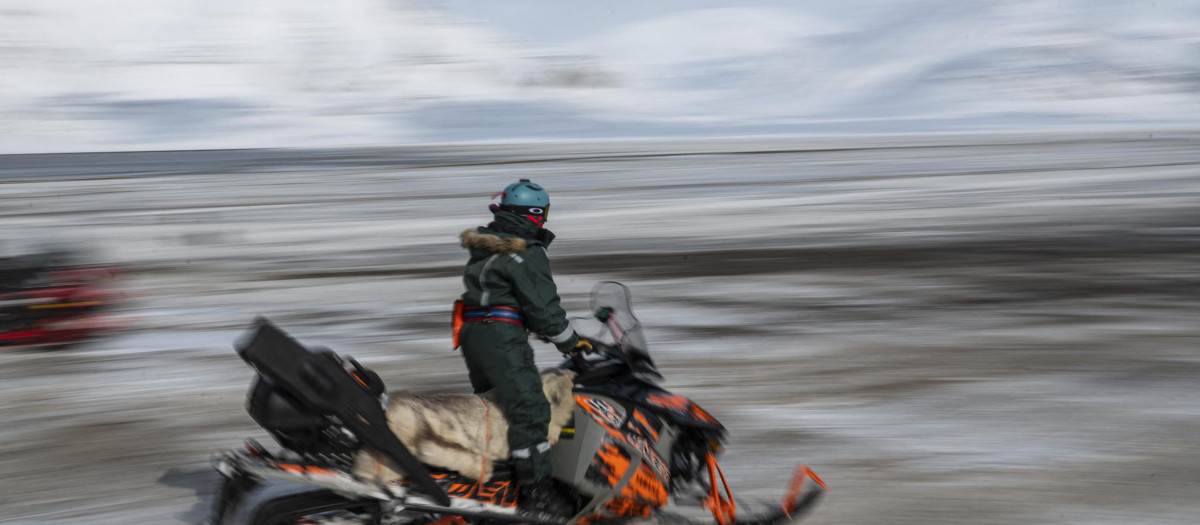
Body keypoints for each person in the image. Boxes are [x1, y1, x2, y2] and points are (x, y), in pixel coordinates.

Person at [455, 179, 591, 516]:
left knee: (495, 408)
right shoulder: (526, 252)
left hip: (473, 333)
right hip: (500, 336)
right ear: (534, 213)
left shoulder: (488, 246)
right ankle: (538, 492)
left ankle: (494, 481)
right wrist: (572, 344)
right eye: (543, 211)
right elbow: (543, 309)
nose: (544, 218)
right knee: (530, 410)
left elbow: (507, 298)